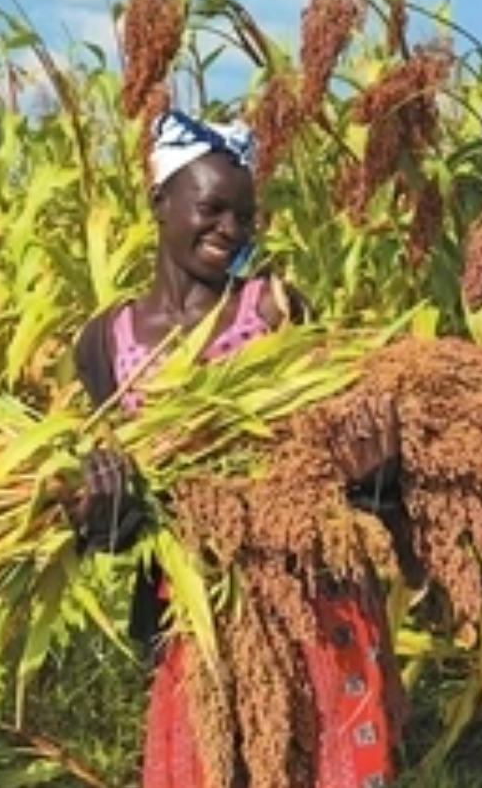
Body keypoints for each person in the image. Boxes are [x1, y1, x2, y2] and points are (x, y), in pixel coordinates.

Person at [66, 109, 405, 788]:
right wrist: (101, 512)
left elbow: (337, 454)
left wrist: (377, 472)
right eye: (213, 208)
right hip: (196, 610)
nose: (231, 230)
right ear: (160, 201)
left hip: (310, 598)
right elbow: (120, 518)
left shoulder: (275, 308)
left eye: (244, 217)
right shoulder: (104, 341)